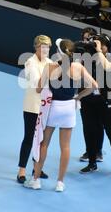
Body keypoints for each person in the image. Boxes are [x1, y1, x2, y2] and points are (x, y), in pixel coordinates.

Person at [24, 39, 98, 191]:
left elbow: (38, 90)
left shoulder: (50, 67)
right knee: (65, 147)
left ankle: (36, 180)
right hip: (69, 108)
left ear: (58, 52)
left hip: (53, 108)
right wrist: (79, 96)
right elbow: (94, 86)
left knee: (44, 144)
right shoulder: (78, 67)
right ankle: (60, 183)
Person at [79, 34, 111, 176]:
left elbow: (108, 68)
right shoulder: (87, 58)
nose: (98, 47)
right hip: (88, 102)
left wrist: (99, 51)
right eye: (97, 44)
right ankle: (92, 163)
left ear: (107, 48)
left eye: (102, 45)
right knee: (89, 131)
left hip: (105, 103)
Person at [16, 35, 53, 184]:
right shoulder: (30, 62)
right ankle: (21, 171)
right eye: (42, 47)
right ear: (36, 47)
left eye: (48, 47)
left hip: (46, 107)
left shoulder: (50, 63)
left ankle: (36, 168)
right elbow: (38, 84)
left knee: (41, 140)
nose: (45, 50)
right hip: (32, 106)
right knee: (29, 138)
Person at [78, 28, 104, 163]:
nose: (86, 41)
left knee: (98, 124)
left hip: (99, 95)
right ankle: (89, 151)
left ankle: (98, 151)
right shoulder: (80, 53)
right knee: (87, 124)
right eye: (84, 38)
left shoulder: (100, 54)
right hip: (84, 93)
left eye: (89, 38)